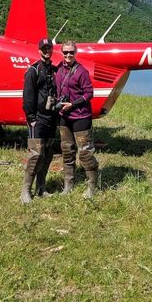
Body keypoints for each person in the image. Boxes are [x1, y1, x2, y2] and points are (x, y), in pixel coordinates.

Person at [55, 40, 99, 198]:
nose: (68, 55)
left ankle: (92, 187)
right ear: (62, 53)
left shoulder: (82, 71)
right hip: (64, 116)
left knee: (85, 153)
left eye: (71, 52)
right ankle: (68, 185)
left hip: (81, 116)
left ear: (76, 53)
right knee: (67, 151)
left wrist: (73, 104)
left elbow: (89, 93)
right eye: (65, 52)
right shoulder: (59, 69)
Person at [20, 38, 58, 204]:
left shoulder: (54, 70)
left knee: (48, 154)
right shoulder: (33, 71)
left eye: (49, 48)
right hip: (38, 119)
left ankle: (41, 187)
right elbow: (27, 97)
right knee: (36, 155)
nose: (47, 51)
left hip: (51, 118)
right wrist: (31, 118)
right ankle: (25, 191)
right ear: (39, 50)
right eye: (44, 49)